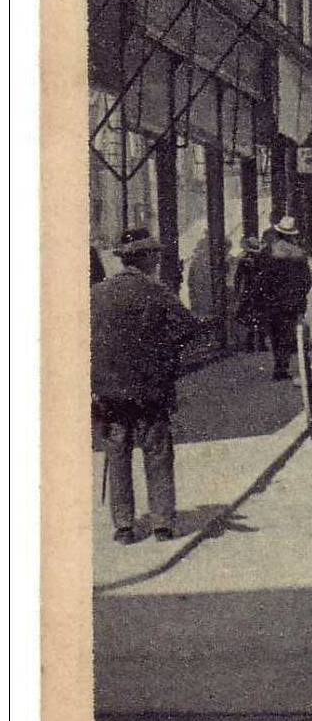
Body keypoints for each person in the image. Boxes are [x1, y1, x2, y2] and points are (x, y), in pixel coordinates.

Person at [91, 226, 203, 544]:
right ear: (145, 258)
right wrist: (163, 352)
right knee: (156, 452)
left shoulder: (96, 294)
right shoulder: (155, 291)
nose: (156, 259)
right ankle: (162, 524)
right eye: (153, 254)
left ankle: (124, 526)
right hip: (150, 387)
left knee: (118, 453)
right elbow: (187, 327)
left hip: (110, 390)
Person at [259, 215, 312, 380]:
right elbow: (306, 280)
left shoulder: (269, 253)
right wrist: (300, 297)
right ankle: (282, 367)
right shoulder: (298, 255)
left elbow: (263, 278)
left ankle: (278, 364)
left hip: (272, 301)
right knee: (287, 333)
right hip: (291, 301)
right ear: (292, 235)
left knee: (275, 333)